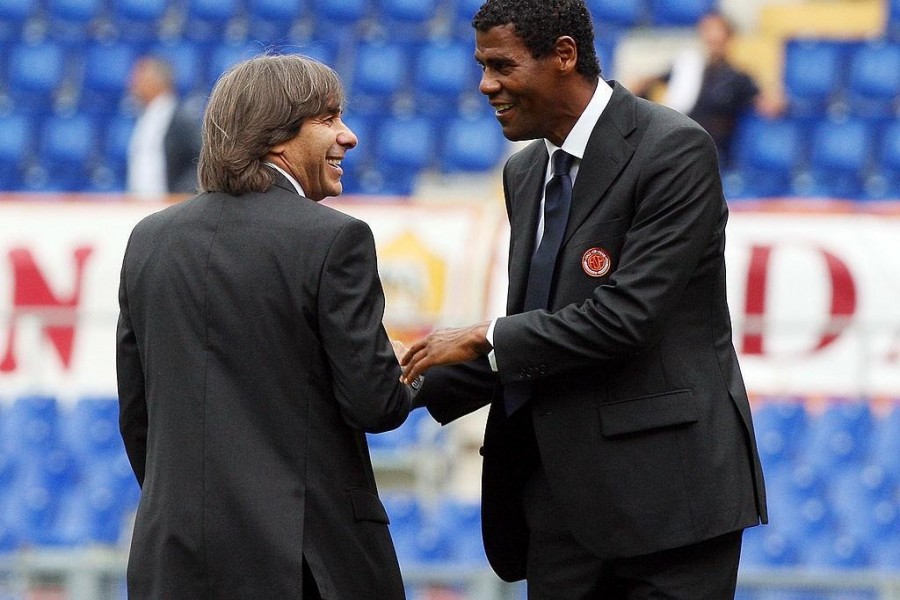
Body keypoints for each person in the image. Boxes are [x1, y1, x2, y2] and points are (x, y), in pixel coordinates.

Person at [400, 1, 767, 598]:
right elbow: (537, 334)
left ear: (564, 55)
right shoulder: (524, 174)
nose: (485, 85)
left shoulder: (673, 149)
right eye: (481, 65)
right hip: (559, 511)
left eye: (500, 66)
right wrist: (405, 382)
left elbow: (624, 320)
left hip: (668, 508)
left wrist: (484, 336)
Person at [117, 54, 413, 599]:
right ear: (275, 135)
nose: (348, 136)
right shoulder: (334, 240)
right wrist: (421, 365)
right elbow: (376, 403)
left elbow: (139, 420)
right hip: (302, 567)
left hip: (172, 567)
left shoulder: (148, 241)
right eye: (328, 118)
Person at [629, 11, 785, 166]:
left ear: (729, 37)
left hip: (712, 149)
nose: (713, 38)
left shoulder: (739, 77)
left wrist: (773, 98)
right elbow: (648, 82)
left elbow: (767, 104)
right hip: (678, 142)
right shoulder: (687, 68)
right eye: (708, 31)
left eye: (718, 32)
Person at [126, 56, 202, 199]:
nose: (133, 83)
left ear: (157, 81)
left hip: (167, 207)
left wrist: (181, 193)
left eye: (140, 77)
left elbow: (201, 159)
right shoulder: (145, 116)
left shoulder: (181, 119)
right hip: (139, 204)